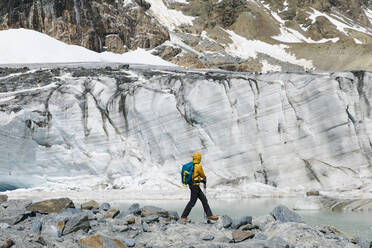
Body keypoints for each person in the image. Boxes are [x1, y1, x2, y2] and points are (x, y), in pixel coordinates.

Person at [180, 152, 218, 222]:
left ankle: (209, 215)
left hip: (193, 186)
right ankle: (183, 217)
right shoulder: (198, 166)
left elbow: (195, 177)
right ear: (199, 158)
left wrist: (200, 181)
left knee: (204, 200)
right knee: (192, 202)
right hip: (195, 187)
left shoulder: (191, 166)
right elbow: (202, 175)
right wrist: (204, 179)